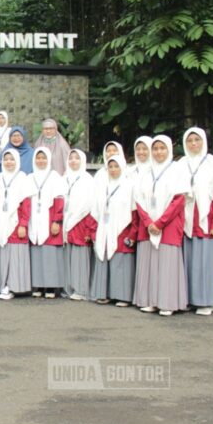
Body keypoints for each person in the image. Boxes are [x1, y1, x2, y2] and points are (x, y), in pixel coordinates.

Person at [133, 135, 189, 317]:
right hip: (148, 225)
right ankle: (151, 301)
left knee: (167, 263)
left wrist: (160, 222)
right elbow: (139, 200)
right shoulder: (146, 172)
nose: (158, 152)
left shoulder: (177, 170)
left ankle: (168, 303)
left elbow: (179, 200)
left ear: (169, 150)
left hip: (169, 224)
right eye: (155, 148)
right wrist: (149, 222)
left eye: (162, 148)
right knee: (149, 262)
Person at [180, 127, 213, 316]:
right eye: (189, 140)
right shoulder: (181, 164)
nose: (193, 144)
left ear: (204, 141)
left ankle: (206, 300)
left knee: (205, 262)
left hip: (206, 220)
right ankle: (189, 299)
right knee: (188, 262)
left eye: (197, 140)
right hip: (186, 220)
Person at [89, 155, 138, 306]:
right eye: (110, 167)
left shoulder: (130, 186)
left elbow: (134, 213)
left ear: (122, 167)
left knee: (120, 262)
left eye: (116, 166)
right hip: (104, 228)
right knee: (104, 258)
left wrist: (132, 234)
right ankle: (104, 293)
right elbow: (95, 210)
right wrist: (93, 232)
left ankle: (122, 296)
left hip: (122, 230)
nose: (113, 170)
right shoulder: (103, 186)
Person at [0, 149, 36, 299]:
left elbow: (26, 203)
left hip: (17, 222)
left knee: (16, 255)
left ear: (17, 161)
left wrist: (23, 224)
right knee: (3, 254)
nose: (9, 162)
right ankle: (3, 285)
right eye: (6, 159)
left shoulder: (23, 179)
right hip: (2, 220)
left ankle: (15, 286)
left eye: (12, 159)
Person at [28, 147, 66, 299]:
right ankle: (38, 285)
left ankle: (50, 287)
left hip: (49, 217)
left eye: (43, 158)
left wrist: (57, 220)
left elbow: (59, 199)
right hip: (34, 218)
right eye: (38, 158)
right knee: (36, 253)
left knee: (49, 254)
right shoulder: (30, 177)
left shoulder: (55, 177)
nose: (41, 161)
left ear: (48, 159)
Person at [62, 149, 97, 301]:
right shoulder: (64, 178)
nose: (73, 161)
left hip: (81, 221)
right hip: (66, 220)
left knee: (80, 256)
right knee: (67, 256)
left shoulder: (87, 179)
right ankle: (68, 287)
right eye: (71, 158)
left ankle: (81, 289)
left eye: (77, 158)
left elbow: (91, 204)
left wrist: (88, 227)